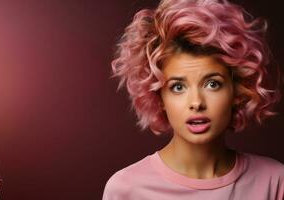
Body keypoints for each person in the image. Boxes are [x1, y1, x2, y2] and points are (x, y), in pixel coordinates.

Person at [103, 0, 284, 199]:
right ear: (159, 97)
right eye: (178, 87)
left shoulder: (274, 181)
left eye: (212, 84)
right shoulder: (127, 189)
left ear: (237, 90)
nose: (196, 102)